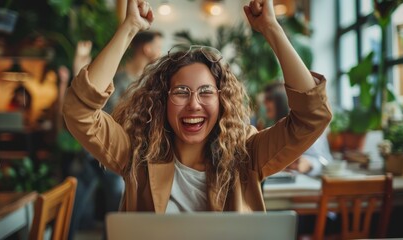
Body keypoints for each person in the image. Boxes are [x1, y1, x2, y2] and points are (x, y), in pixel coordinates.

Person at [63, 0, 332, 213]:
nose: (194, 105)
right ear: (162, 99)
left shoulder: (246, 154)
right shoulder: (136, 153)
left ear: (222, 100)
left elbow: (311, 117)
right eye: (181, 92)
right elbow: (80, 111)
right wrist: (130, 27)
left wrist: (272, 28)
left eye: (206, 92)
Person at [67, 30, 163, 238]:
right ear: (147, 49)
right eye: (158, 46)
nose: (160, 51)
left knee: (116, 204)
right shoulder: (120, 79)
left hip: (117, 152)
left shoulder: (145, 83)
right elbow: (98, 114)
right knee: (84, 201)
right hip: (100, 150)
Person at [263, 82, 333, 176]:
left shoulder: (305, 125)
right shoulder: (274, 127)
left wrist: (308, 164)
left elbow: (325, 160)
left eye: (269, 99)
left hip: (308, 183)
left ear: (281, 101)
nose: (264, 103)